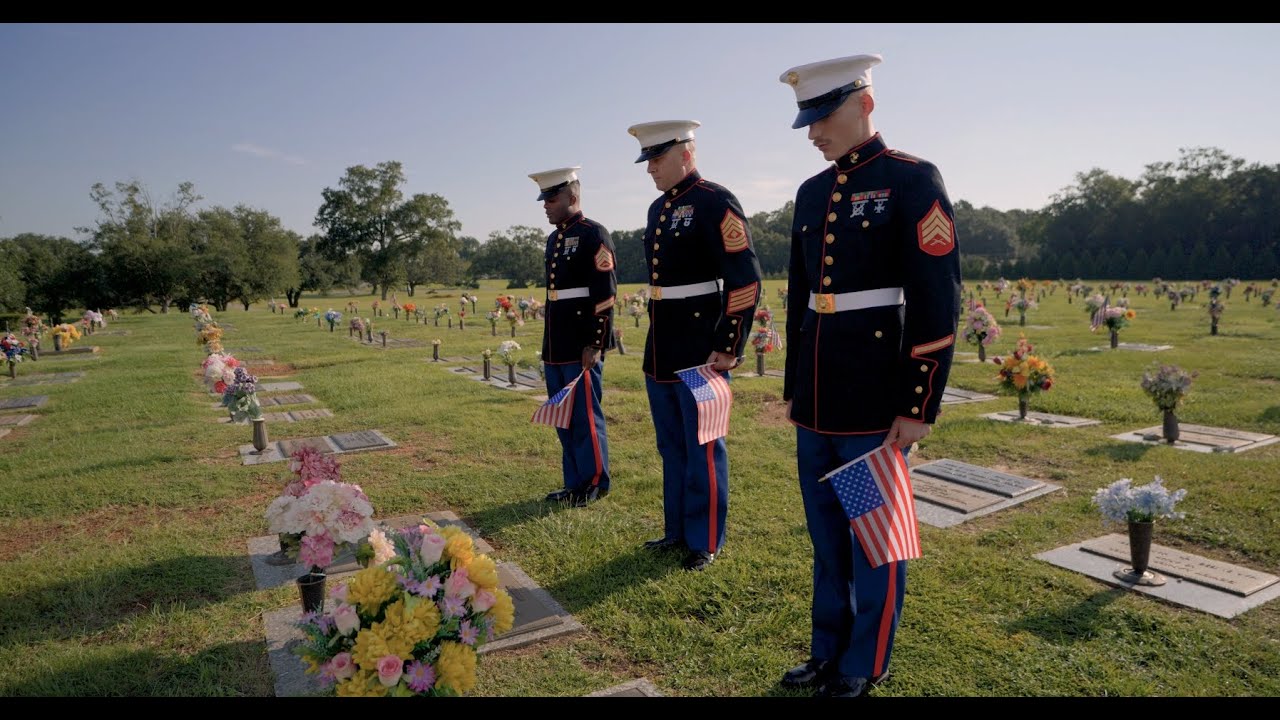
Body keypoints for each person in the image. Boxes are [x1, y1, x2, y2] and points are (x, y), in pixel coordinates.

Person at [777, 54, 962, 697]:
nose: (813, 132)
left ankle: (864, 661)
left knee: (872, 542)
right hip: (819, 402)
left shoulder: (911, 180)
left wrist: (919, 404)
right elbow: (802, 301)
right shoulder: (809, 193)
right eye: (808, 118)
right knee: (827, 539)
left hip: (872, 407)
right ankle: (826, 650)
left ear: (867, 104)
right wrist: (795, 390)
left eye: (823, 115)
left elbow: (938, 300)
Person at [626, 120, 763, 571]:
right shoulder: (656, 210)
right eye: (648, 160)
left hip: (702, 346)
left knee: (704, 445)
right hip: (662, 344)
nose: (651, 169)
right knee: (671, 446)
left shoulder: (714, 201)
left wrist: (729, 343)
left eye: (658, 158)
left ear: (687, 152)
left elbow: (745, 277)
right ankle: (676, 531)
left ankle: (704, 540)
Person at [528, 166, 617, 507]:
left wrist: (595, 343)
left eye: (552, 197)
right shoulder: (554, 239)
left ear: (573, 197)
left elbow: (605, 293)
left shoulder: (594, 233)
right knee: (562, 417)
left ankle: (595, 481)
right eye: (544, 199)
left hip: (581, 343)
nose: (546, 205)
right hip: (556, 344)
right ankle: (573, 482)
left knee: (585, 417)